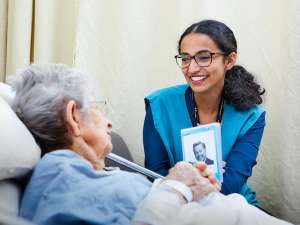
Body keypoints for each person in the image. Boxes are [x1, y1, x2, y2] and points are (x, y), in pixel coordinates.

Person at [12, 64, 218, 225]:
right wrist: (178, 186)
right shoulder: (58, 170)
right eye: (95, 107)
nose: (109, 122)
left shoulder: (81, 174)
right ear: (73, 117)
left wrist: (194, 190)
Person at [143, 19, 266, 205]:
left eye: (204, 57)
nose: (191, 68)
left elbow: (232, 182)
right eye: (185, 58)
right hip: (174, 203)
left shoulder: (251, 116)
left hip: (232, 204)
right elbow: (155, 175)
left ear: (230, 60)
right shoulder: (159, 105)